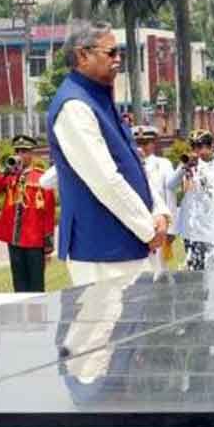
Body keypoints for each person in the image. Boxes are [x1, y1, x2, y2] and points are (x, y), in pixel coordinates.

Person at [46, 21, 169, 286]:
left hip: (132, 242)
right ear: (82, 55)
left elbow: (133, 164)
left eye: (119, 52)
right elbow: (105, 180)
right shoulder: (74, 106)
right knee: (106, 327)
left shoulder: (100, 98)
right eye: (111, 53)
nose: (118, 59)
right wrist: (148, 229)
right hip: (103, 251)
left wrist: (159, 211)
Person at [0, 134, 56, 292]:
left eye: (24, 151)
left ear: (31, 154)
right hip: (14, 239)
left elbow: (49, 211)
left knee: (36, 284)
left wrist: (48, 243)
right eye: (18, 151)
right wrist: (5, 171)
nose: (20, 155)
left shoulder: (41, 178)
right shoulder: (9, 176)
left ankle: (39, 316)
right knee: (19, 284)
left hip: (34, 240)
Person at [168, 130, 214, 271]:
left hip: (211, 231)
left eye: (200, 146)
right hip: (191, 231)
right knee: (194, 275)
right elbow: (170, 185)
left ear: (210, 147)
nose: (196, 151)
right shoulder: (187, 167)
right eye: (193, 147)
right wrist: (183, 168)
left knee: (212, 275)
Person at [133, 126, 177, 268]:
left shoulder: (163, 165)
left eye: (145, 143)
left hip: (158, 226)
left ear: (154, 143)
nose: (141, 147)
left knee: (159, 269)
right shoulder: (128, 166)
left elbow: (170, 196)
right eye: (138, 143)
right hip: (136, 225)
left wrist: (171, 228)